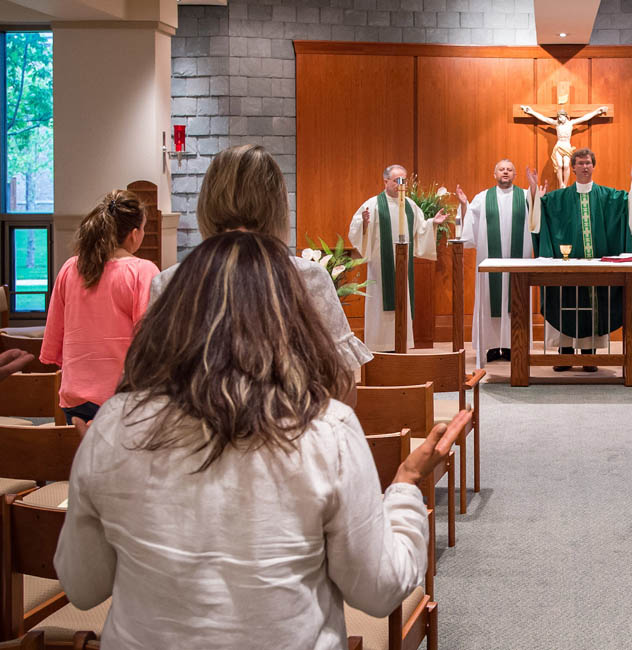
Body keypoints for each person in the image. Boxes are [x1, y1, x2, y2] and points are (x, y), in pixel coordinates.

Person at [54, 231, 460, 648]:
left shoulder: (115, 425)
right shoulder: (325, 428)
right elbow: (378, 589)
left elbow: (82, 586)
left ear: (172, 318)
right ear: (291, 320)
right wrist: (406, 487)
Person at [151, 144, 371, 405]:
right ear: (277, 205)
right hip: (291, 439)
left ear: (207, 203)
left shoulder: (169, 282)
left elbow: (154, 392)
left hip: (193, 442)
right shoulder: (306, 277)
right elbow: (341, 391)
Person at [40, 190, 158, 423]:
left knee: (79, 459)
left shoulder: (70, 267)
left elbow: (55, 331)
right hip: (123, 399)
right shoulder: (142, 271)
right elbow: (150, 343)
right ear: (134, 234)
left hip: (75, 398)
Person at [528, 148, 632, 372]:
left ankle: (589, 354)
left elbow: (629, 208)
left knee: (593, 306)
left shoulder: (609, 196)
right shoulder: (558, 199)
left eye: (588, 163)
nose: (584, 167)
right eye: (579, 163)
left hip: (596, 270)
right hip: (566, 269)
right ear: (572, 168)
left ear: (593, 166)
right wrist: (534, 193)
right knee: (565, 304)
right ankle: (565, 354)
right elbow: (538, 216)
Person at [348, 164, 449, 352]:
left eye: (404, 180)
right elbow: (358, 233)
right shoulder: (373, 205)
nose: (401, 185)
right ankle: (379, 346)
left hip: (404, 267)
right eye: (397, 180)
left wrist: (432, 223)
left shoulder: (410, 205)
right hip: (380, 269)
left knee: (402, 299)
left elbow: (420, 229)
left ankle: (400, 344)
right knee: (380, 302)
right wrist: (364, 224)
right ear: (385, 181)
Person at [455, 159, 538, 368]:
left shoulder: (526, 196)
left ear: (515, 174)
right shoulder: (483, 198)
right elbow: (469, 224)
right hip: (489, 259)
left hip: (518, 260)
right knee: (489, 299)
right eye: (502, 169)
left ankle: (513, 345)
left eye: (510, 170)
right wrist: (464, 205)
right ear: (495, 174)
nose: (506, 172)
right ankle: (492, 346)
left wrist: (536, 190)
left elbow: (537, 219)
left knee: (516, 297)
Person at [520, 104, 608, 189]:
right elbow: (544, 119)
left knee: (566, 165)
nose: (560, 119)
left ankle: (564, 184)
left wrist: (597, 111)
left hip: (567, 146)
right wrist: (531, 112)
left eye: (561, 117)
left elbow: (585, 118)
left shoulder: (571, 123)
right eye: (558, 118)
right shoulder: (556, 124)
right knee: (559, 165)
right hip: (558, 146)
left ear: (565, 116)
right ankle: (561, 183)